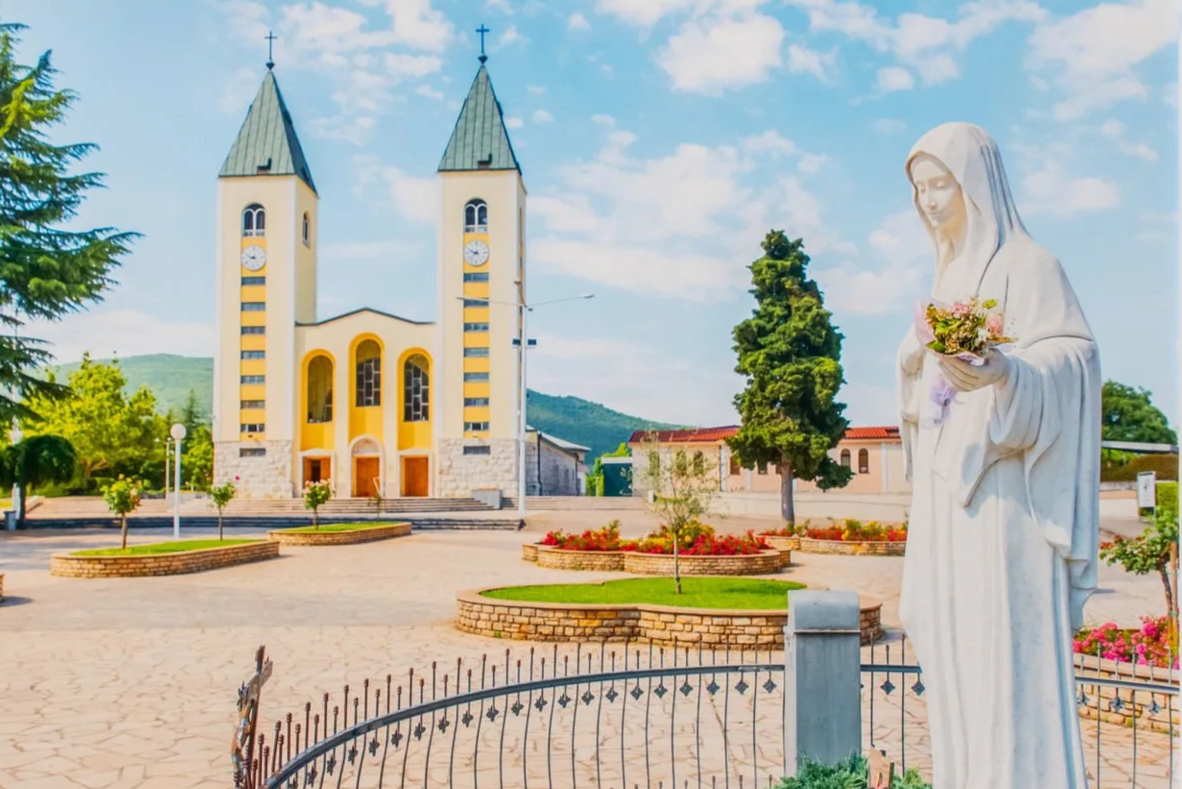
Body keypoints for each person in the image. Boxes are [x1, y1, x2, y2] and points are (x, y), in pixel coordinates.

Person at [896, 122, 1100, 789]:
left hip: (1007, 498)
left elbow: (1075, 358)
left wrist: (1008, 374)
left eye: (940, 185)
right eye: (920, 188)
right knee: (957, 656)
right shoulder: (945, 278)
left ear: (976, 185)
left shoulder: (1030, 265)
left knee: (1004, 660)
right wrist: (910, 364)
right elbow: (923, 401)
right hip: (948, 502)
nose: (929, 201)